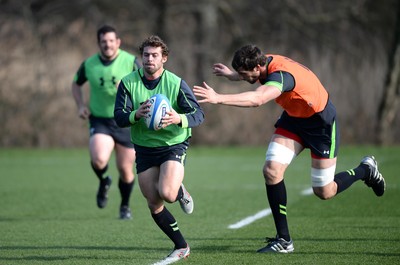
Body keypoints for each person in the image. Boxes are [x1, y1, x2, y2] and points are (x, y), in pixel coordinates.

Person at [193, 44, 386, 253]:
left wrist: (218, 98)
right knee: (271, 171)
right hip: (294, 120)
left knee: (324, 191)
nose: (245, 77)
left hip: (320, 124)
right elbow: (255, 76)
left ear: (258, 67)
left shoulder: (282, 76)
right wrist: (232, 75)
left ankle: (366, 170)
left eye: (245, 74)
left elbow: (258, 99)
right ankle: (284, 240)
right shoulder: (263, 63)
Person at [114, 35, 204, 263]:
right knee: (154, 202)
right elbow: (119, 117)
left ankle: (180, 191)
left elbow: (198, 114)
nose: (149, 59)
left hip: (172, 144)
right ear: (141, 57)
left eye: (155, 55)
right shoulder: (128, 83)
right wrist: (136, 114)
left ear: (164, 58)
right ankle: (181, 246)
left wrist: (177, 118)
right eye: (146, 55)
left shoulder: (175, 82)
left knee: (168, 193)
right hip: (144, 148)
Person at [72, 25, 140, 220]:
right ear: (99, 43)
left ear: (117, 42)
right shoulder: (89, 64)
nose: (108, 45)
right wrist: (80, 105)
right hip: (100, 119)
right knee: (99, 158)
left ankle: (125, 206)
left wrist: (128, 88)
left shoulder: (131, 61)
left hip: (126, 120)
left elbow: (147, 84)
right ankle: (104, 180)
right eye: (104, 42)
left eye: (111, 41)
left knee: (126, 171)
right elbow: (75, 83)